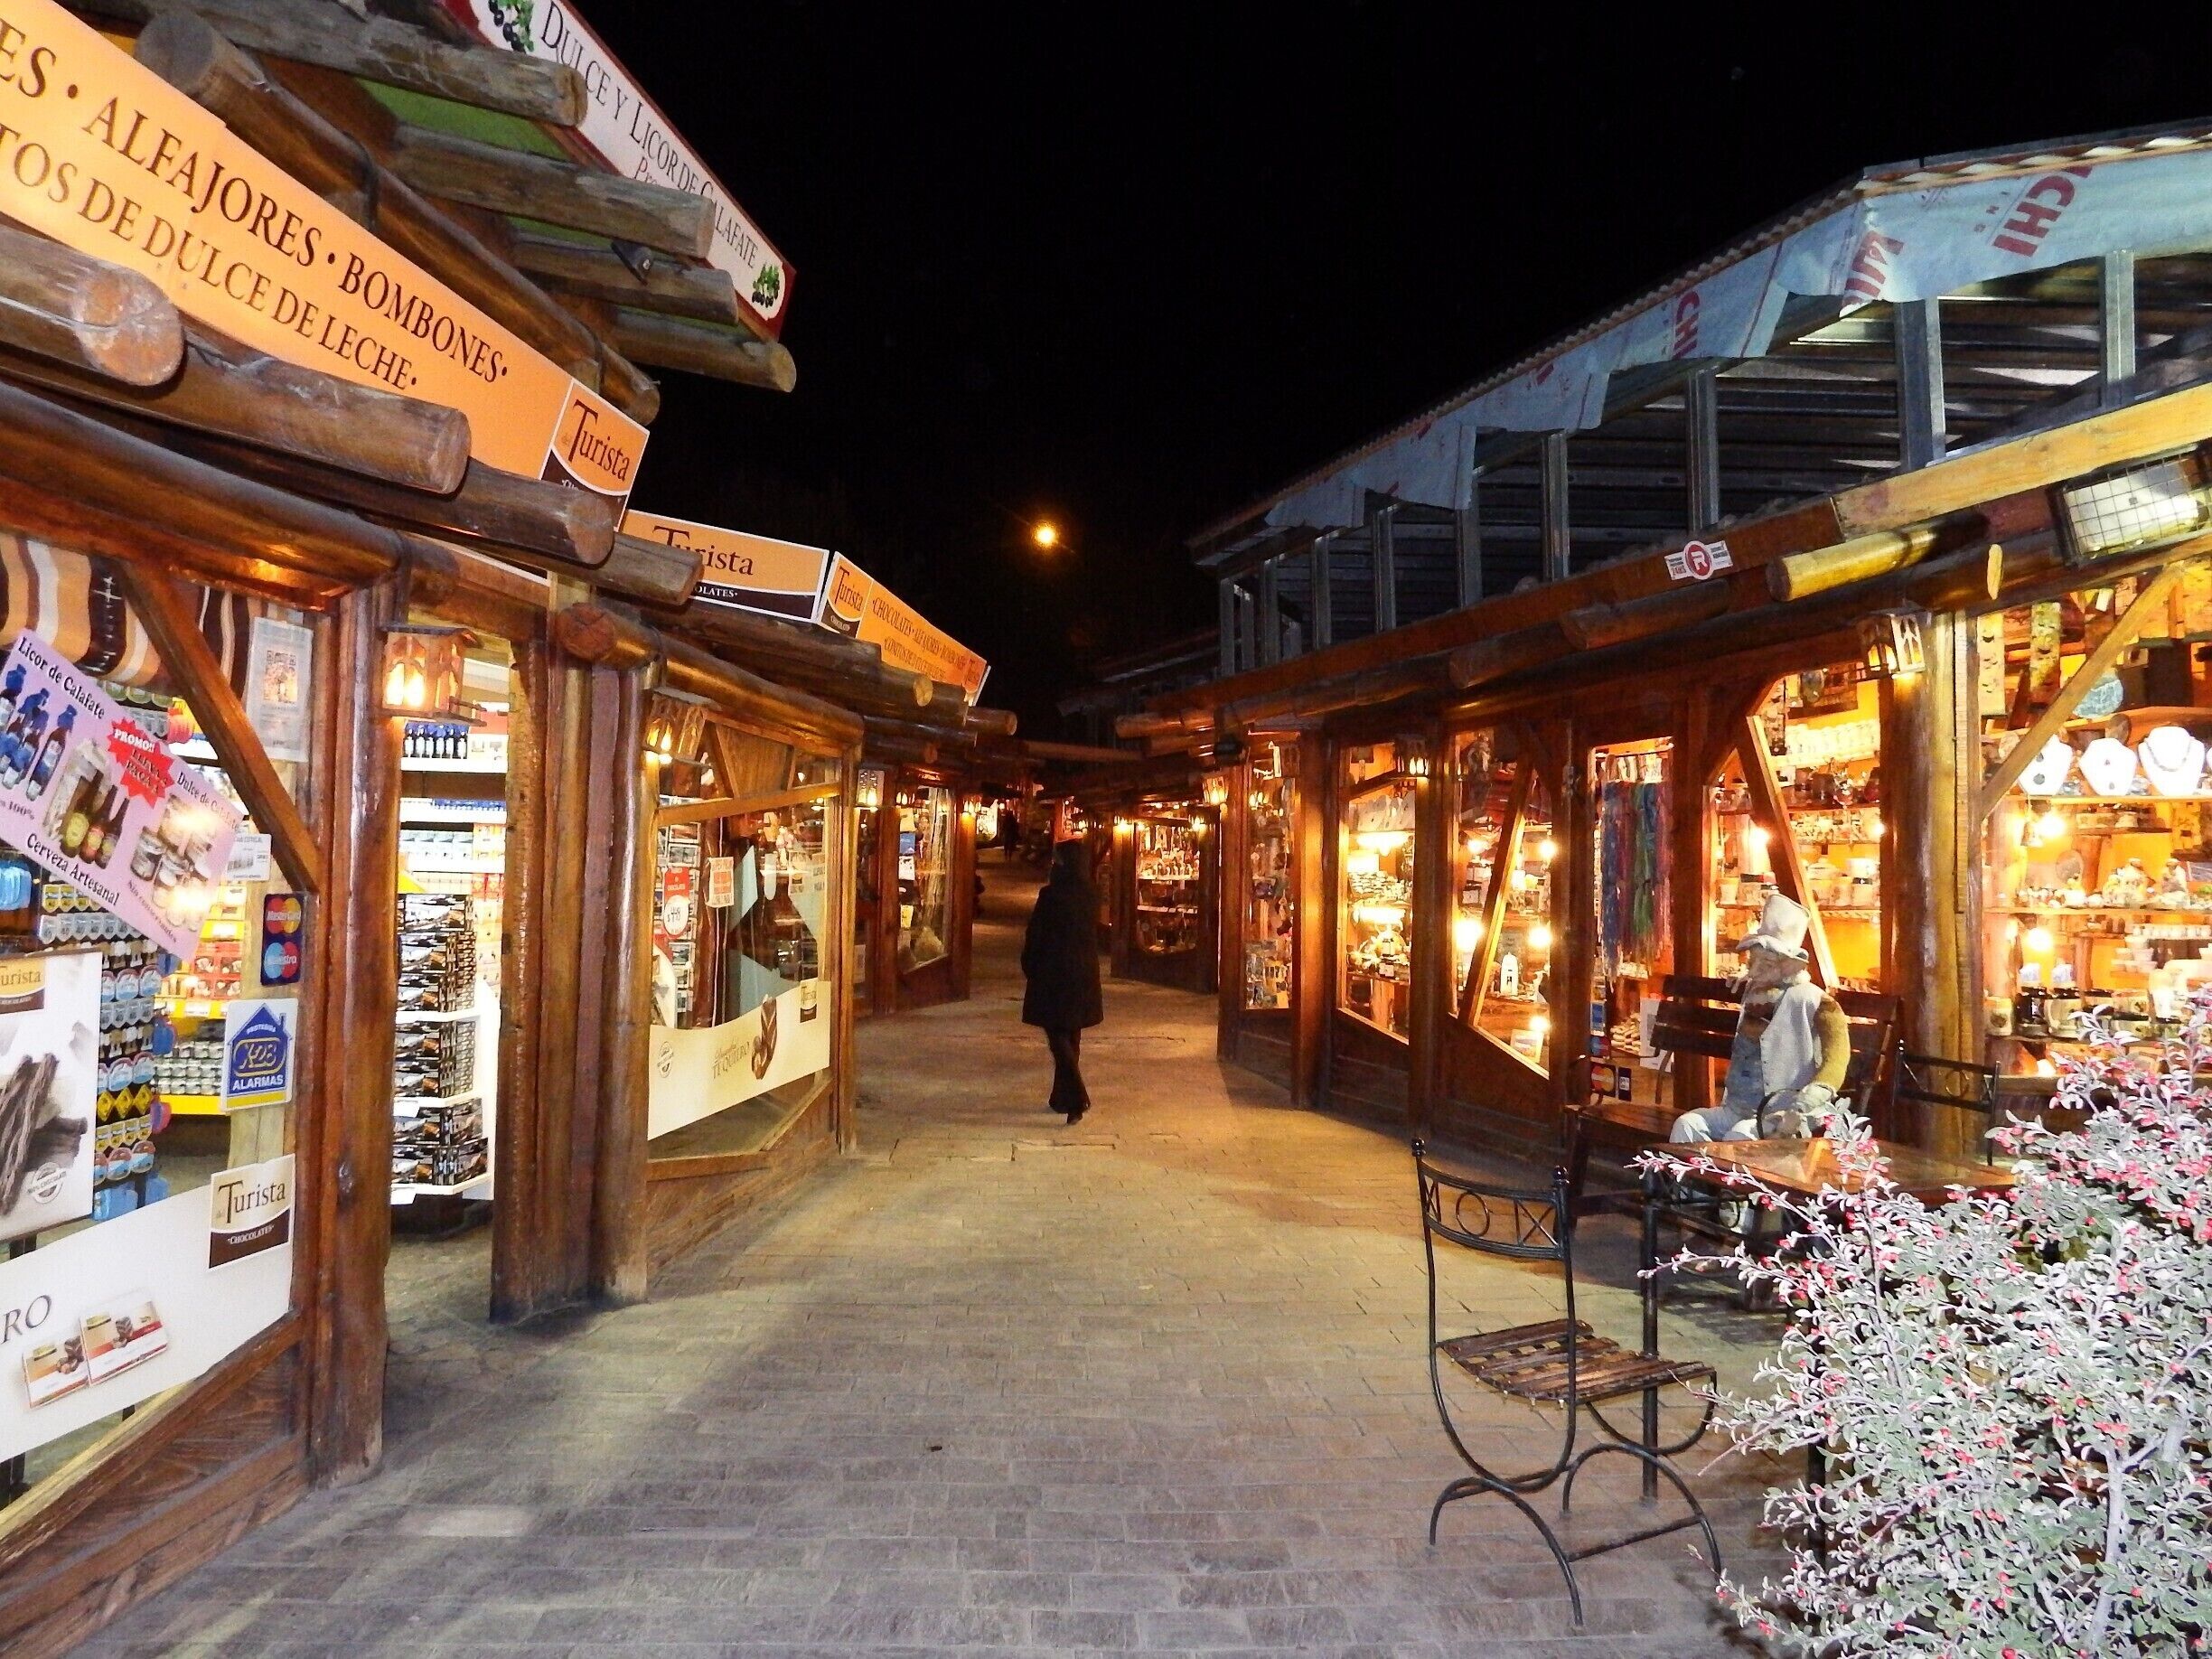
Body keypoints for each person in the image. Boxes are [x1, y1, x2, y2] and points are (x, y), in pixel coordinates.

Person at [1670, 893, 1849, 1145]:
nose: (1754, 971)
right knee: (1687, 1125)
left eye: (1765, 964)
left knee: (1740, 1137)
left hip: (1782, 1115)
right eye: (1752, 961)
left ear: (1789, 965)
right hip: (1737, 1109)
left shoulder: (1815, 1002)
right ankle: (1683, 1174)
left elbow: (1836, 1062)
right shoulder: (1754, 994)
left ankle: (1726, 1174)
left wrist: (1808, 1101)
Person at [1022, 839, 1103, 1122]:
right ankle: (1061, 1097)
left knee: (1057, 1036)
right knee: (1071, 1036)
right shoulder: (1091, 894)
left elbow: (1036, 933)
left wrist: (1030, 963)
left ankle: (1076, 1098)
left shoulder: (1051, 896)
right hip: (1083, 975)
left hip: (1053, 973)